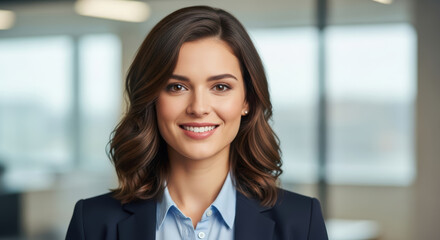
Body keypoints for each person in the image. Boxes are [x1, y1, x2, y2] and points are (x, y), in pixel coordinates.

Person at [66, 5, 328, 240]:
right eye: (177, 86)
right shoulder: (92, 222)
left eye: (221, 87)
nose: (199, 108)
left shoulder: (301, 222)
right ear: (151, 99)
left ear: (247, 100)